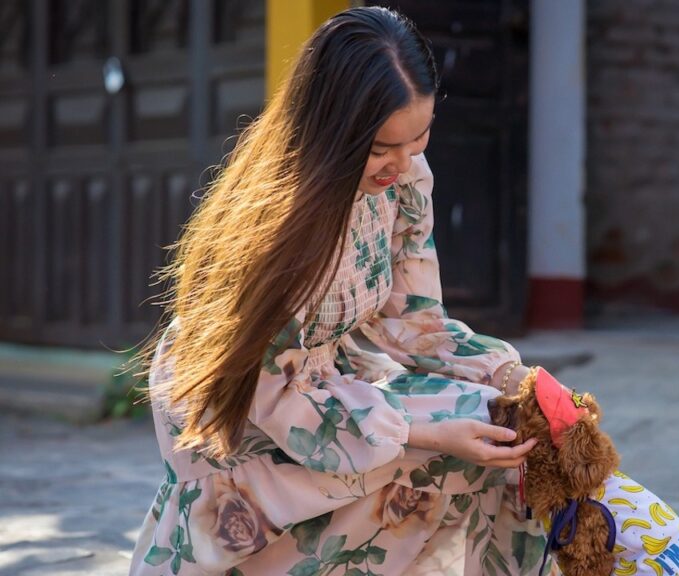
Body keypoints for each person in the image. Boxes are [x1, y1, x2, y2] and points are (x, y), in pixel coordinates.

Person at [128, 7, 549, 575]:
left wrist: (513, 379)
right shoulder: (279, 223)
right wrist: (427, 435)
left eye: (419, 137)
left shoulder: (405, 181)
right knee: (444, 447)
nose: (400, 163)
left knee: (508, 428)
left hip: (335, 384)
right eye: (380, 148)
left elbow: (412, 323)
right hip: (252, 402)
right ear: (333, 132)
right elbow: (279, 395)